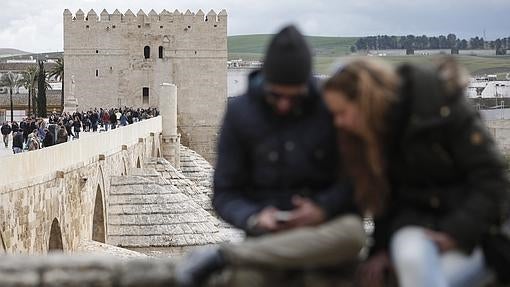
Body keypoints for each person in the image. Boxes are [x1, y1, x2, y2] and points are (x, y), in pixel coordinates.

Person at [177, 25, 362, 287]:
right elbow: (224, 193)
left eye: (294, 98)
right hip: (267, 234)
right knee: (246, 280)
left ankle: (226, 256)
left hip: (320, 234)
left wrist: (322, 208)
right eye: (277, 96)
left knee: (353, 234)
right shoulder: (241, 114)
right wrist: (255, 217)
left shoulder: (328, 109)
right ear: (265, 82)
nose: (285, 105)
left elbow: (355, 180)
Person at [320, 58, 509, 287]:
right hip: (419, 230)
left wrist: (455, 232)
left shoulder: (440, 105)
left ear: (366, 102)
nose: (338, 123)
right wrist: (381, 248)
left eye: (341, 113)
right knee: (412, 260)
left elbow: (492, 180)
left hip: (479, 229)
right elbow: (387, 200)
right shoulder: (374, 135)